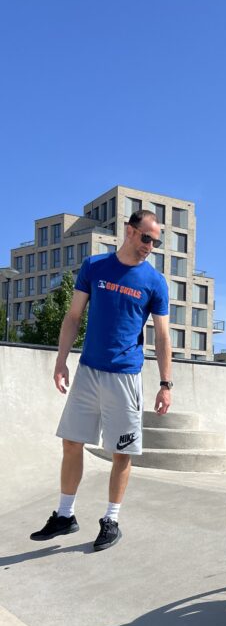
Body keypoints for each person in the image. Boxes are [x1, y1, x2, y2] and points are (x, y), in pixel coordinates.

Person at [30, 209, 172, 551]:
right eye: (146, 238)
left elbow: (163, 337)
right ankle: (65, 515)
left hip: (125, 377)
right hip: (88, 372)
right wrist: (61, 361)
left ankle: (111, 519)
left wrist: (166, 384)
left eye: (156, 241)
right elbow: (73, 316)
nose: (150, 246)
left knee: (121, 452)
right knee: (71, 442)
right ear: (129, 231)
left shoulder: (155, 282)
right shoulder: (94, 266)